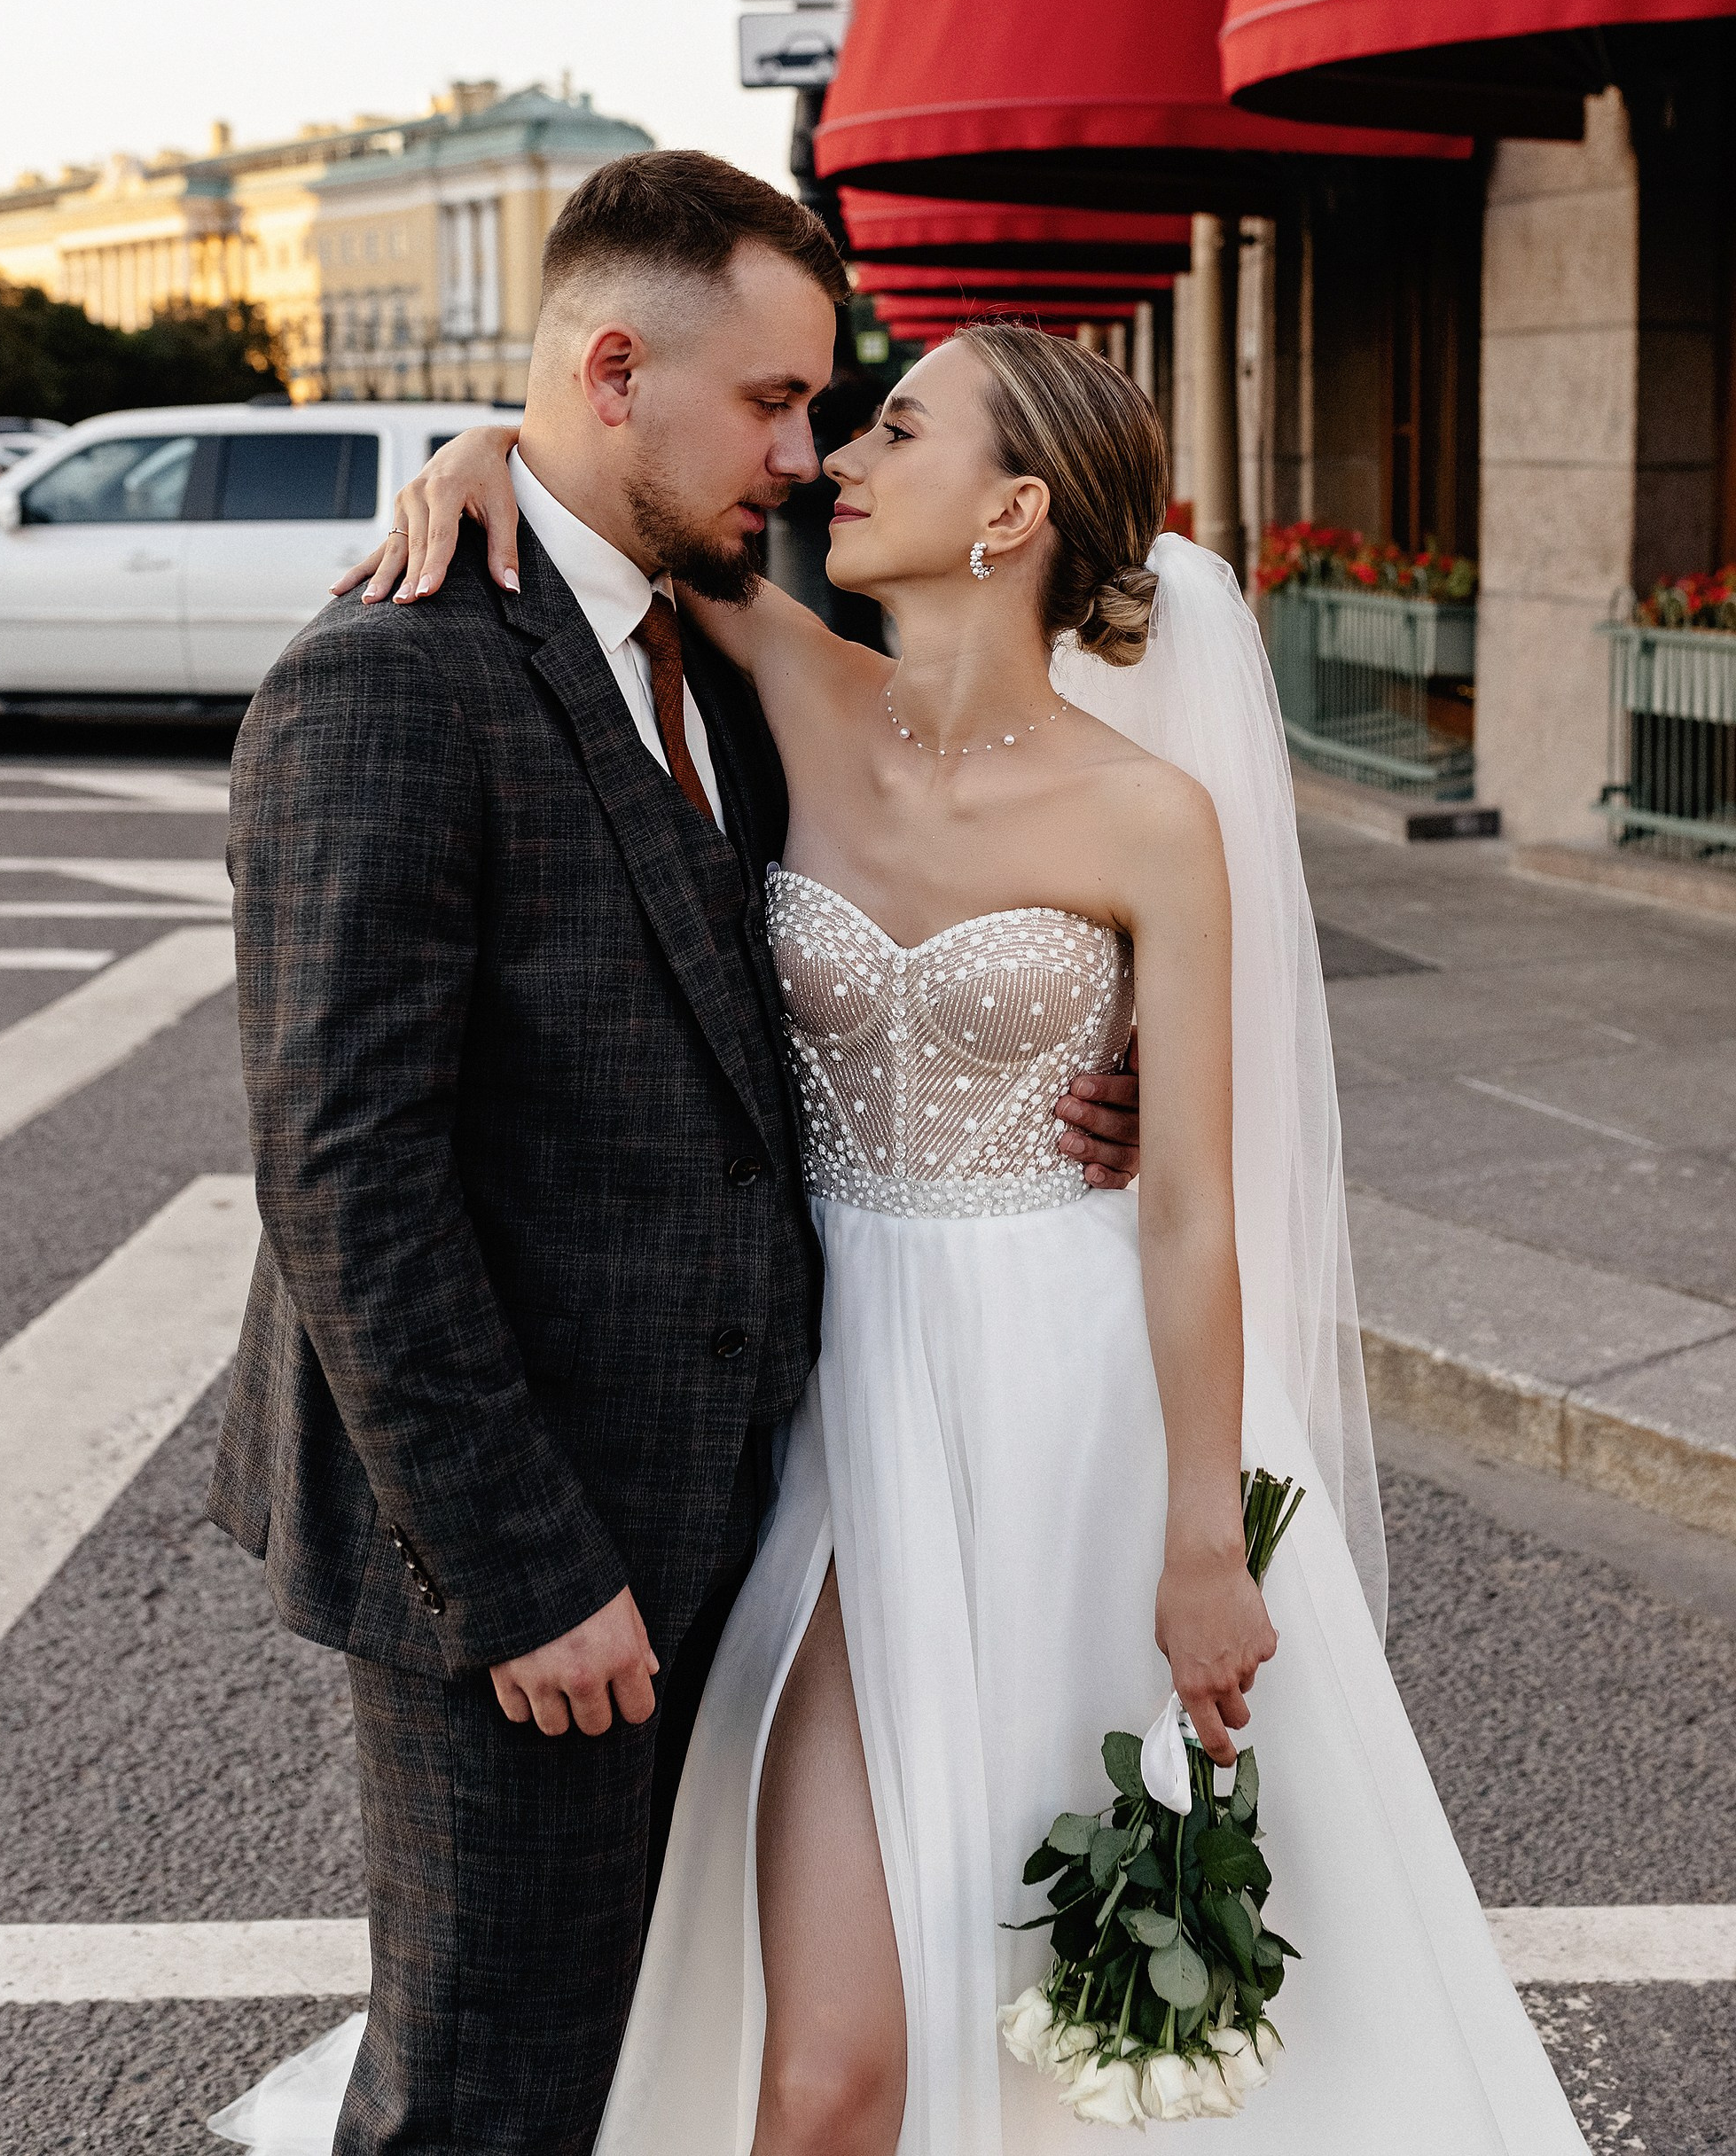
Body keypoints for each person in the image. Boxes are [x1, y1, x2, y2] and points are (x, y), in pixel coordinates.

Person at [222, 309, 1592, 2154]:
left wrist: (1204, 1535)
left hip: (1065, 1403)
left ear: (1012, 509)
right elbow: (589, 509)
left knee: (1017, 2026)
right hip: (821, 1388)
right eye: (826, 424)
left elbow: (1189, 1204)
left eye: (895, 432)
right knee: (831, 2066)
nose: (832, 462)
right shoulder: (791, 681)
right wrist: (478, 451)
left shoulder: (1149, 819)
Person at [206, 156, 1143, 2156]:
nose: (806, 457)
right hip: (524, 1557)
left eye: (829, 409)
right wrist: (526, 1572)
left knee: (650, 2061)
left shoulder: (714, 638)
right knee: (486, 2096)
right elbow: (344, 1171)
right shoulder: (387, 679)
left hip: (754, 1507)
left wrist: (1094, 1038)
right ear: (616, 367)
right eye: (776, 403)